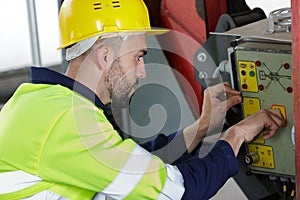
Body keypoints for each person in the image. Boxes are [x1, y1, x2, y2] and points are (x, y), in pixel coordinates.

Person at [0, 0, 284, 199]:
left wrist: (204, 125)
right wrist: (236, 135)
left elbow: (136, 164)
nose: (144, 71)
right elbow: (177, 192)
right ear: (105, 56)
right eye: (139, 57)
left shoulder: (40, 103)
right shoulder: (69, 120)